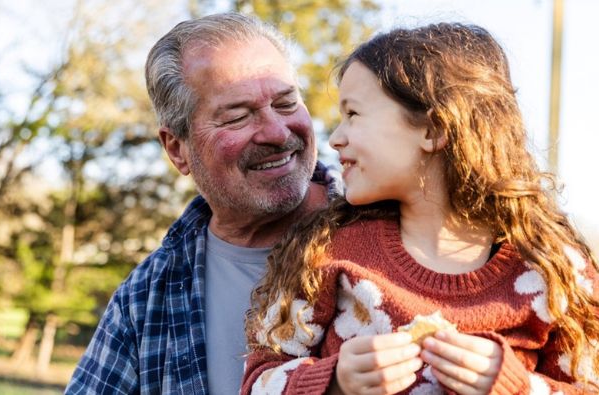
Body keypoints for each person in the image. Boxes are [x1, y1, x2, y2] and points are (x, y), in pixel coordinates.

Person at [241, 22, 599, 395]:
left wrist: (517, 387)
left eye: (354, 115)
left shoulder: (555, 270)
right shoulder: (328, 251)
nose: (336, 138)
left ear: (432, 131)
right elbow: (257, 381)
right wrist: (334, 381)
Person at [65, 12, 338, 394]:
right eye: (238, 117)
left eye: (287, 102)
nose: (277, 132)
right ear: (178, 150)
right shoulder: (146, 299)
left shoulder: (397, 226)